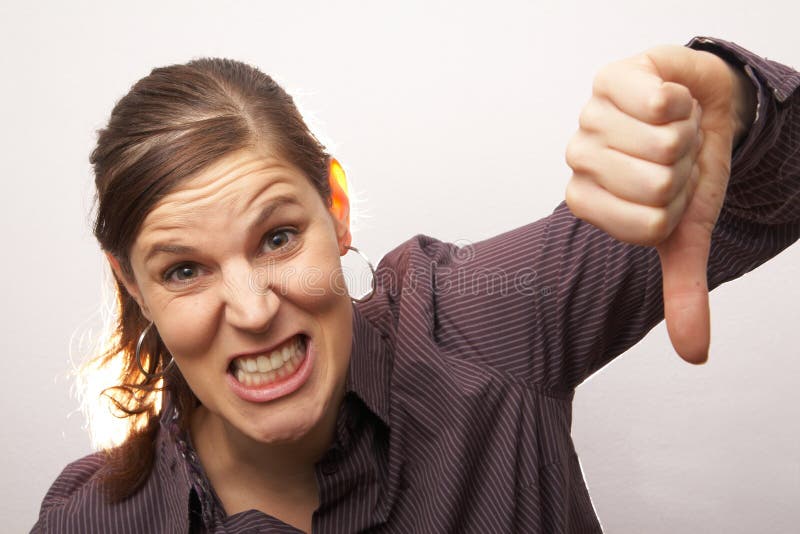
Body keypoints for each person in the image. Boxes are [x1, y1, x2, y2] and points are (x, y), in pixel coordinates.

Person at [32, 35, 798, 533]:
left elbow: (775, 179)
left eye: (277, 237)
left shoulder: (478, 324)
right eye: (185, 270)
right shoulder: (91, 517)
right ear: (131, 284)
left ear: (336, 207)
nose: (255, 309)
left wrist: (735, 110)